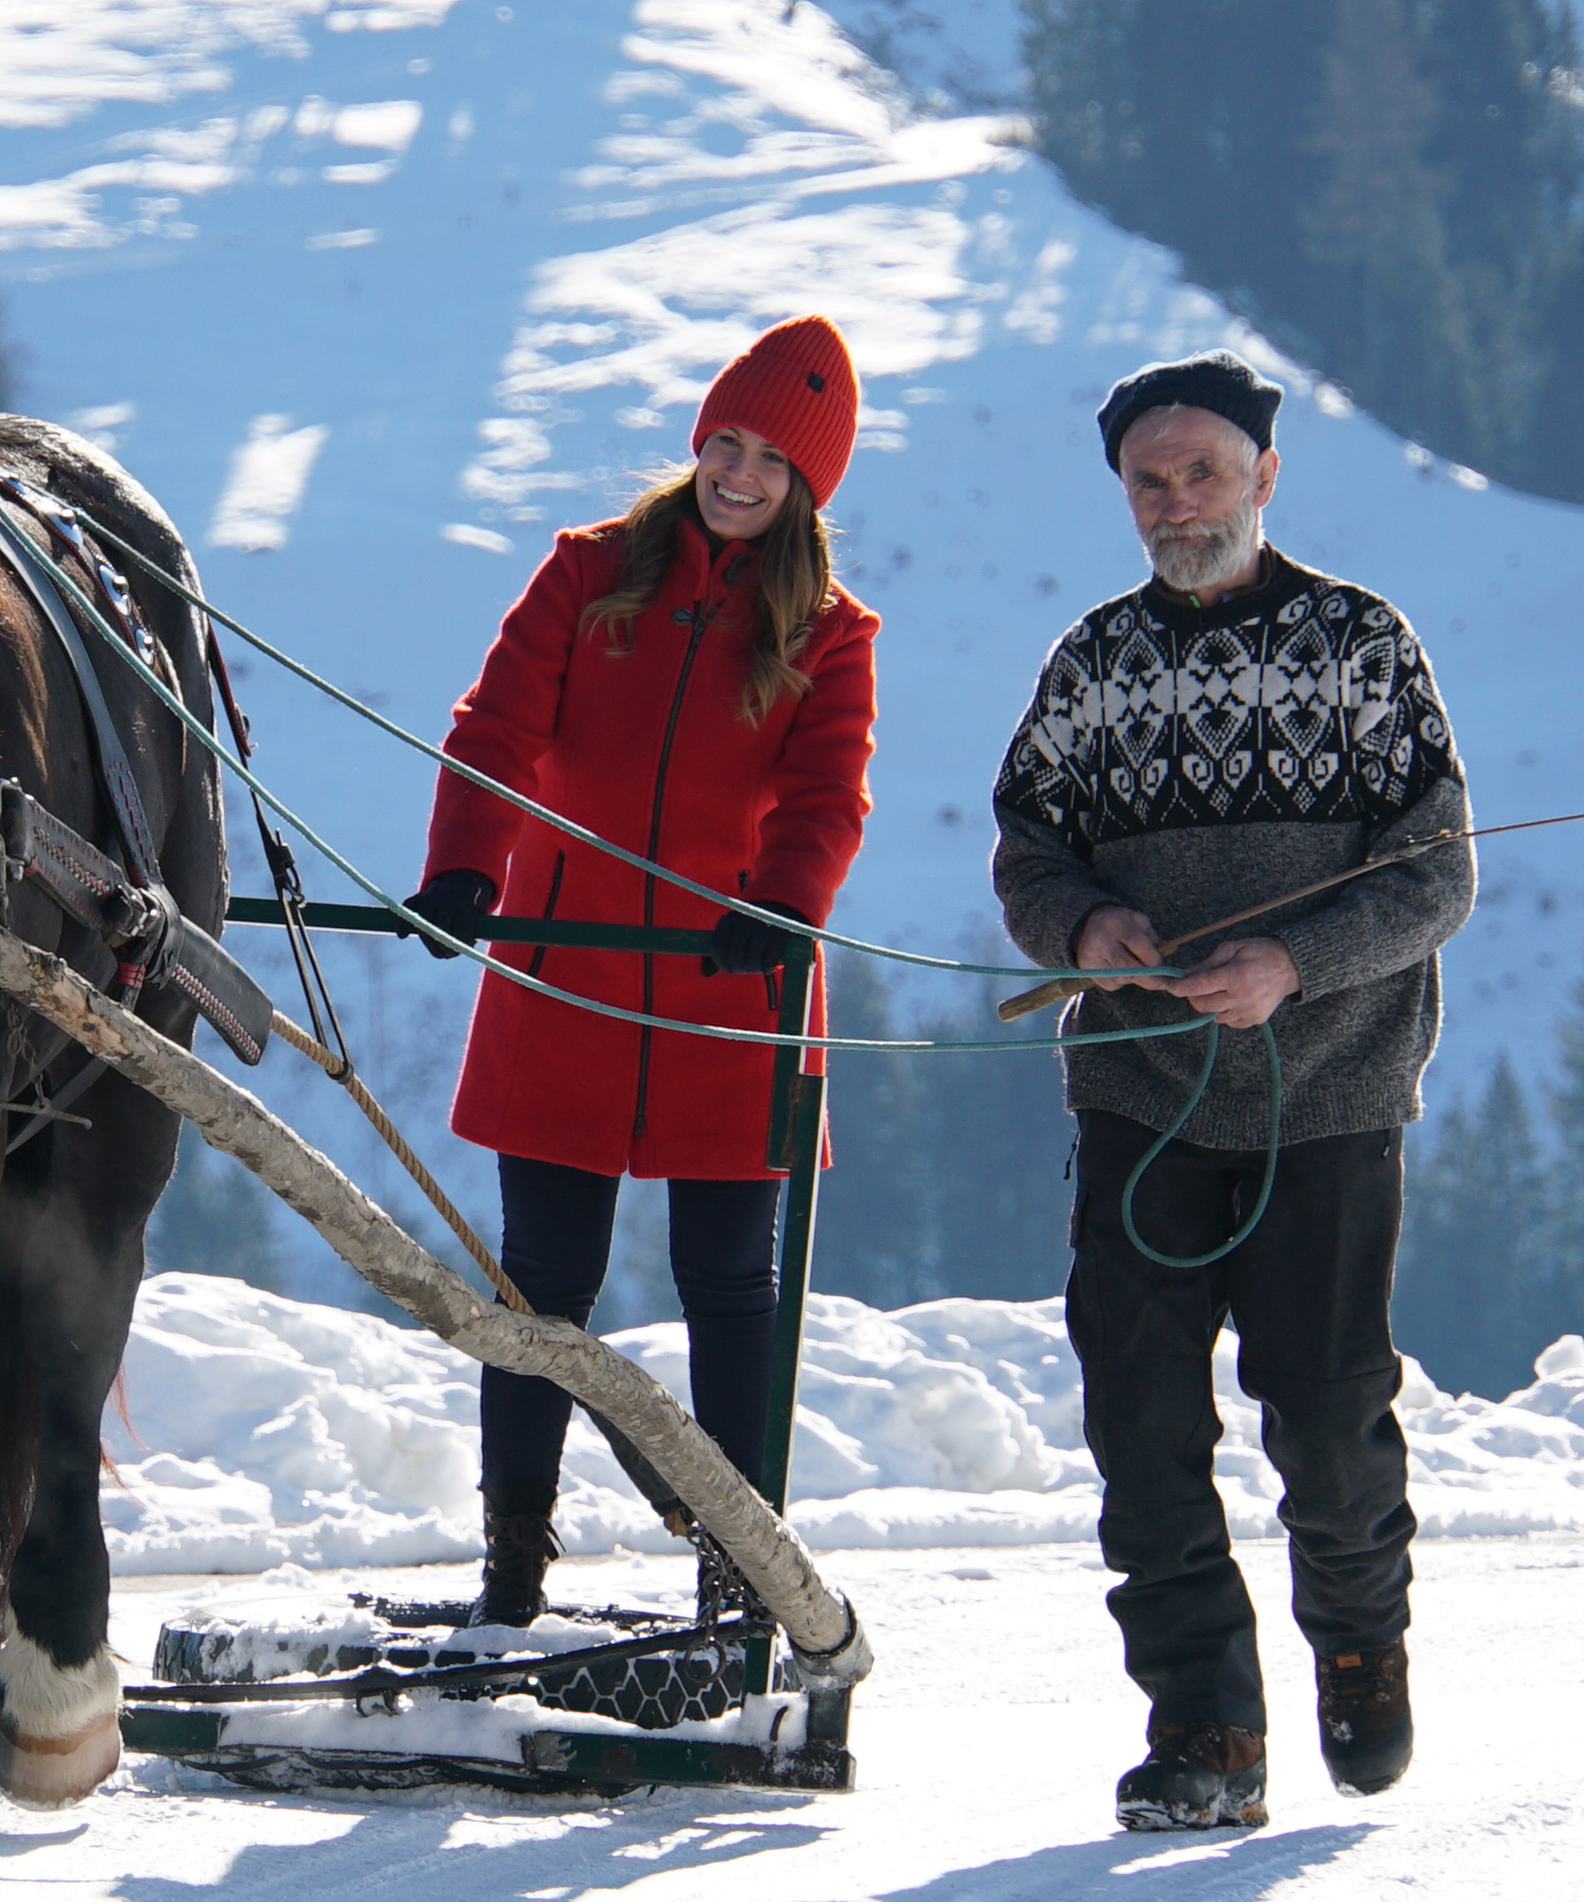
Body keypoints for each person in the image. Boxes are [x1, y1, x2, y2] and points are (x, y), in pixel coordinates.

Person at [989, 350, 1473, 1829]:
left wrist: (1294, 964)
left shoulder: (1360, 643)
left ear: (1265, 475)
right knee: (1140, 1430)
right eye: (1148, 477)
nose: (1175, 499)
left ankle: (1357, 1639)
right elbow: (1027, 851)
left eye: (1202, 469)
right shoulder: (1088, 664)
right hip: (1139, 1096)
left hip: (1326, 1090)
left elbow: (1437, 873)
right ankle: (1204, 1726)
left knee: (1325, 1418)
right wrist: (1084, 931)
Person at [402, 315, 879, 1628]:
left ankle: (734, 1573)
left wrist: (781, 906)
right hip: (569, 971)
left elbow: (823, 792)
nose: (737, 473)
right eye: (723, 442)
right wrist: (463, 870)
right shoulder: (587, 572)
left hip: (734, 985)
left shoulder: (829, 630)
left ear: (805, 485)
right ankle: (512, 1561)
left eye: (769, 461)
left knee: (729, 1284)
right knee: (538, 1283)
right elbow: (495, 725)